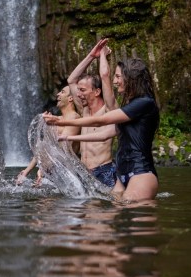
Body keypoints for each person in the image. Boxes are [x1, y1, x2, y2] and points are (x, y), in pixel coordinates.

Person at [44, 54, 160, 202]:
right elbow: (104, 134)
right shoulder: (130, 109)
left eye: (118, 77)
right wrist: (69, 137)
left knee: (131, 214)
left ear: (130, 78)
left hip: (140, 172)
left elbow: (101, 121)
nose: (115, 81)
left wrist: (62, 122)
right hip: (122, 174)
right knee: (114, 214)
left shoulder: (144, 103)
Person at [67, 38, 117, 187]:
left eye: (82, 90)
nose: (79, 94)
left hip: (104, 170)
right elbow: (71, 80)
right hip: (84, 172)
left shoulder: (109, 111)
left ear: (97, 92)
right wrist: (92, 55)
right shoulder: (84, 110)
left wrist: (102, 55)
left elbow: (105, 76)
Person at [16, 85, 81, 185]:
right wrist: (26, 171)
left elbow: (63, 147)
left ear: (71, 98)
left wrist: (42, 169)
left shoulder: (74, 118)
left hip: (66, 175)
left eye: (62, 92)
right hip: (51, 172)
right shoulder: (57, 120)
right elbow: (42, 148)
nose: (58, 94)